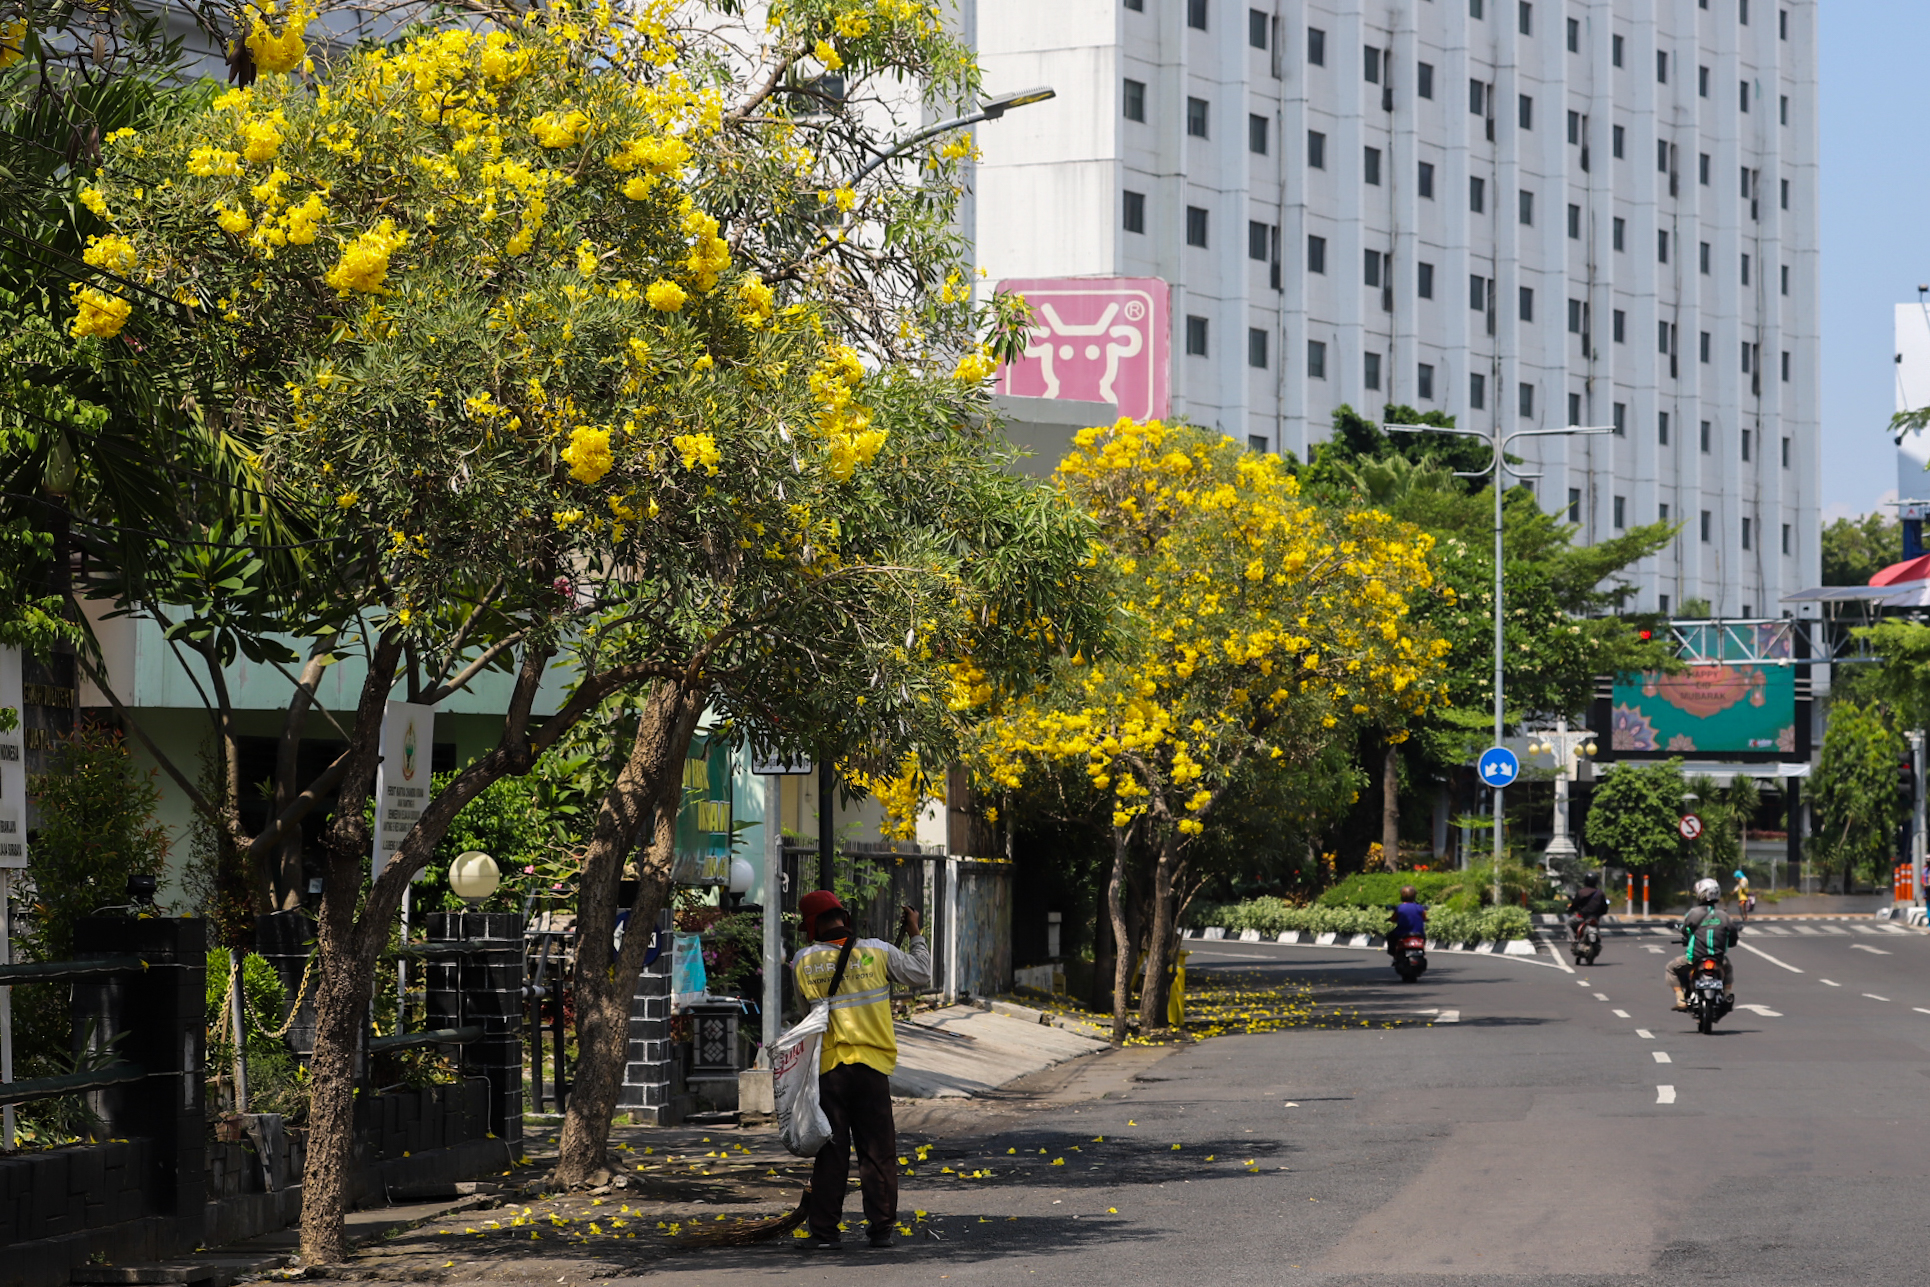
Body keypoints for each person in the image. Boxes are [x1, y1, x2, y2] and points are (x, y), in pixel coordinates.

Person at [792, 889, 931, 1250]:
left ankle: (824, 1233)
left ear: (813, 924)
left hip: (829, 1071)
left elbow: (805, 1014)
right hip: (872, 1069)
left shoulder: (803, 962)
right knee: (877, 1150)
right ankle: (881, 1230)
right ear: (843, 916)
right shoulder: (878, 951)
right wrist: (915, 932)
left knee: (831, 1153)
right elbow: (921, 973)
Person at [1666, 877, 1739, 1011]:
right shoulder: (1724, 916)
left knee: (1671, 968)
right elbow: (1733, 936)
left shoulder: (1693, 913)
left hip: (1694, 958)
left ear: (1701, 893)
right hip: (1718, 958)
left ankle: (1681, 999)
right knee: (1728, 968)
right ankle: (1727, 995)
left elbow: (1685, 931)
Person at [1567, 875, 1611, 943]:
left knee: (1568, 923)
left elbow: (1575, 904)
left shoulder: (1581, 892)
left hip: (1582, 917)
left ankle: (1573, 940)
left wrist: (1570, 909)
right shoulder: (1600, 893)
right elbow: (1604, 908)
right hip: (1594, 918)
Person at [1386, 885, 1427, 955]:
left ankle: (1393, 952)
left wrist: (1390, 919)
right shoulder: (1419, 908)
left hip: (1401, 932)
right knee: (1424, 937)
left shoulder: (1400, 907)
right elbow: (1424, 918)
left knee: (1390, 936)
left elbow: (1393, 918)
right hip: (1419, 932)